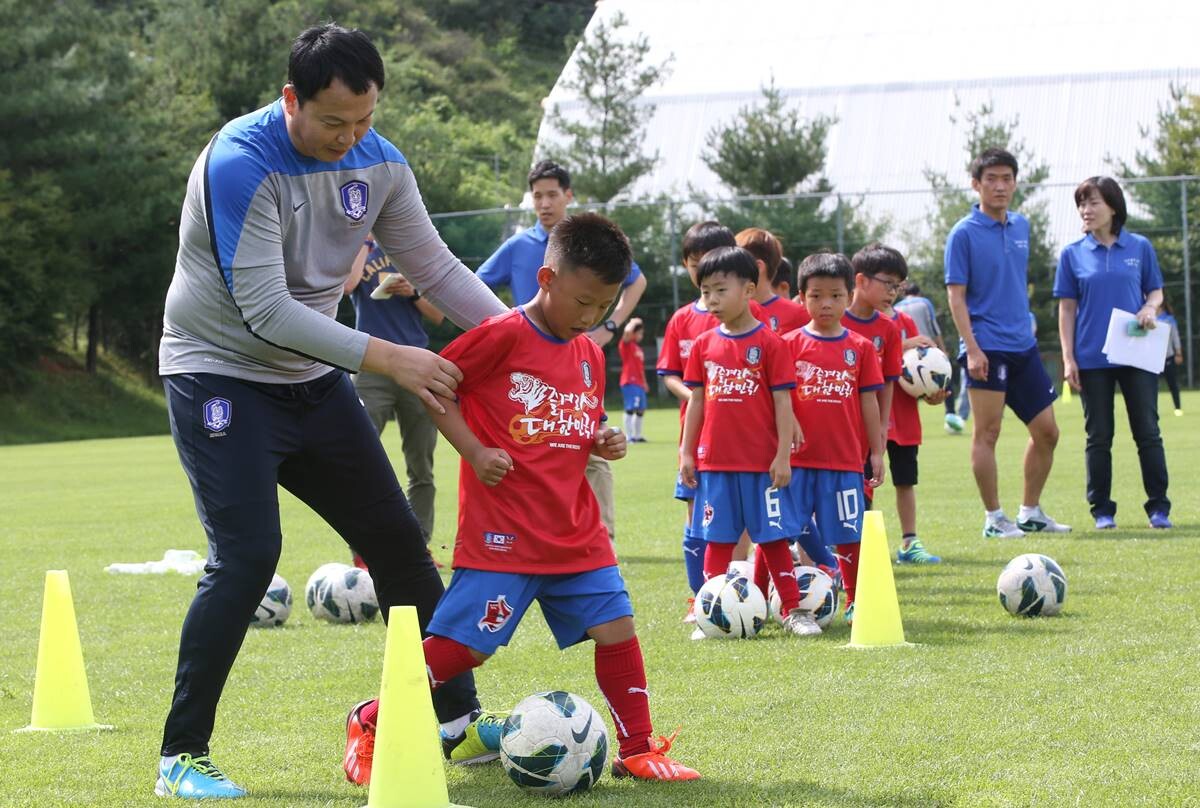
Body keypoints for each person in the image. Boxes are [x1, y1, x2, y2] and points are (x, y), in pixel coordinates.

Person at [155, 24, 508, 799]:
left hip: (312, 382)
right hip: (218, 376)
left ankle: (454, 719)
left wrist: (518, 347)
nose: (350, 138)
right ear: (292, 101)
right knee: (247, 555)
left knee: (398, 544)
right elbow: (264, 311)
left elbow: (435, 267)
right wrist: (391, 358)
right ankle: (182, 755)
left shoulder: (380, 162)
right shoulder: (239, 163)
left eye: (364, 120)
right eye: (333, 122)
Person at [346, 213, 701, 783]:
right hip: (504, 535)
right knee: (464, 651)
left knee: (618, 629)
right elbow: (437, 387)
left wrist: (602, 437)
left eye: (604, 307)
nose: (591, 317)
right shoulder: (503, 334)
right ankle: (369, 720)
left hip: (575, 531)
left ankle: (638, 748)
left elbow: (576, 418)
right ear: (546, 277)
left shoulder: (587, 352)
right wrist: (474, 449)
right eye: (582, 301)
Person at [476, 160, 647, 542]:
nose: (545, 203)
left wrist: (608, 325)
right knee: (535, 449)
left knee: (590, 441)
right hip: (527, 376)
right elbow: (472, 286)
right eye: (537, 196)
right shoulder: (519, 246)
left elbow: (636, 282)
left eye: (552, 194)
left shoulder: (595, 246)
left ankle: (601, 543)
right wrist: (508, 336)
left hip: (576, 362)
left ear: (568, 196)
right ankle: (531, 541)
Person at [677, 246, 814, 636]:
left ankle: (792, 610)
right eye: (705, 291)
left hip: (761, 465)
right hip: (716, 464)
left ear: (749, 290)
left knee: (773, 538)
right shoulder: (704, 345)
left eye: (721, 290)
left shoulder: (771, 343)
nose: (712, 300)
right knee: (716, 541)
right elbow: (697, 402)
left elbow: (783, 401)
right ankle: (710, 613)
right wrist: (688, 452)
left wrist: (782, 455)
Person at [945, 148, 1069, 538]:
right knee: (989, 433)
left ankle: (1030, 512)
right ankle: (995, 519)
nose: (1000, 186)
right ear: (976, 184)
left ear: (1015, 182)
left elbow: (1014, 282)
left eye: (1007, 178)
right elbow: (956, 296)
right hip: (986, 347)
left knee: (1048, 431)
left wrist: (1027, 320)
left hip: (1023, 346)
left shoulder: (1022, 227)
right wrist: (973, 348)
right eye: (992, 179)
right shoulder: (963, 233)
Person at [1055, 176, 1171, 530]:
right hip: (1091, 358)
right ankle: (1102, 510)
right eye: (1082, 203)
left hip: (1137, 353)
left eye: (1093, 203)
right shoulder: (1072, 254)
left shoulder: (1139, 247)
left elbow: (1155, 291)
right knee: (1099, 436)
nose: (1086, 210)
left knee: (1148, 431)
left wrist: (1151, 308)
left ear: (1113, 207)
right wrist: (1068, 357)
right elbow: (1067, 309)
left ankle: (1158, 508)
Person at [784, 252, 885, 624]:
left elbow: (869, 402)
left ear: (848, 296)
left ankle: (856, 600)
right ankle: (773, 599)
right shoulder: (788, 344)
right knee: (779, 533)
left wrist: (876, 451)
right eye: (816, 295)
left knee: (849, 533)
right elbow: (777, 398)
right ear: (801, 297)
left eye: (835, 295)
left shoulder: (859, 348)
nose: (825, 303)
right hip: (796, 461)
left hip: (843, 460)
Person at [655, 221, 737, 617]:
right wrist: (697, 397)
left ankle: (739, 591)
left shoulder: (741, 319)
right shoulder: (682, 320)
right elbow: (669, 374)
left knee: (737, 519)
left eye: (710, 260)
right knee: (695, 515)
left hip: (738, 440)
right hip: (696, 440)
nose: (702, 269)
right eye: (693, 263)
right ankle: (700, 597)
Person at [344, 235, 445, 550]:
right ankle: (362, 548)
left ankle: (419, 547)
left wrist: (412, 291)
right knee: (356, 457)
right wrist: (362, 239)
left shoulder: (412, 251)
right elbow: (347, 286)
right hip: (372, 365)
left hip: (417, 365)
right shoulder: (356, 248)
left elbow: (439, 314)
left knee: (421, 466)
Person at [855, 245, 946, 564]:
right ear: (862, 281)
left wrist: (932, 392)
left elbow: (916, 371)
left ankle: (909, 542)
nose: (893, 292)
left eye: (898, 286)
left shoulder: (902, 322)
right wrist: (905, 344)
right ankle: (855, 547)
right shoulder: (847, 324)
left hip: (902, 417)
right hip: (859, 423)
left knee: (905, 479)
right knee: (862, 484)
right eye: (888, 283)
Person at [735, 227, 811, 333]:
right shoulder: (728, 313)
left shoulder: (799, 315)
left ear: (758, 267)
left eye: (735, 265)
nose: (729, 272)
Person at [619, 318, 649, 442]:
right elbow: (626, 333)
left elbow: (641, 368)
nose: (641, 335)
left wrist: (644, 383)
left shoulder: (638, 349)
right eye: (639, 333)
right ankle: (628, 436)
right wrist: (633, 323)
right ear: (633, 333)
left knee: (641, 409)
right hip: (629, 382)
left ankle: (637, 435)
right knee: (630, 408)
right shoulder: (626, 345)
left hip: (639, 383)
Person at [1158, 298, 1184, 415]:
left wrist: (1178, 353)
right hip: (1153, 359)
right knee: (1150, 386)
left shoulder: (1169, 320)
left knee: (1172, 384)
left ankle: (1177, 407)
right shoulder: (1149, 318)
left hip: (1168, 357)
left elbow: (1175, 337)